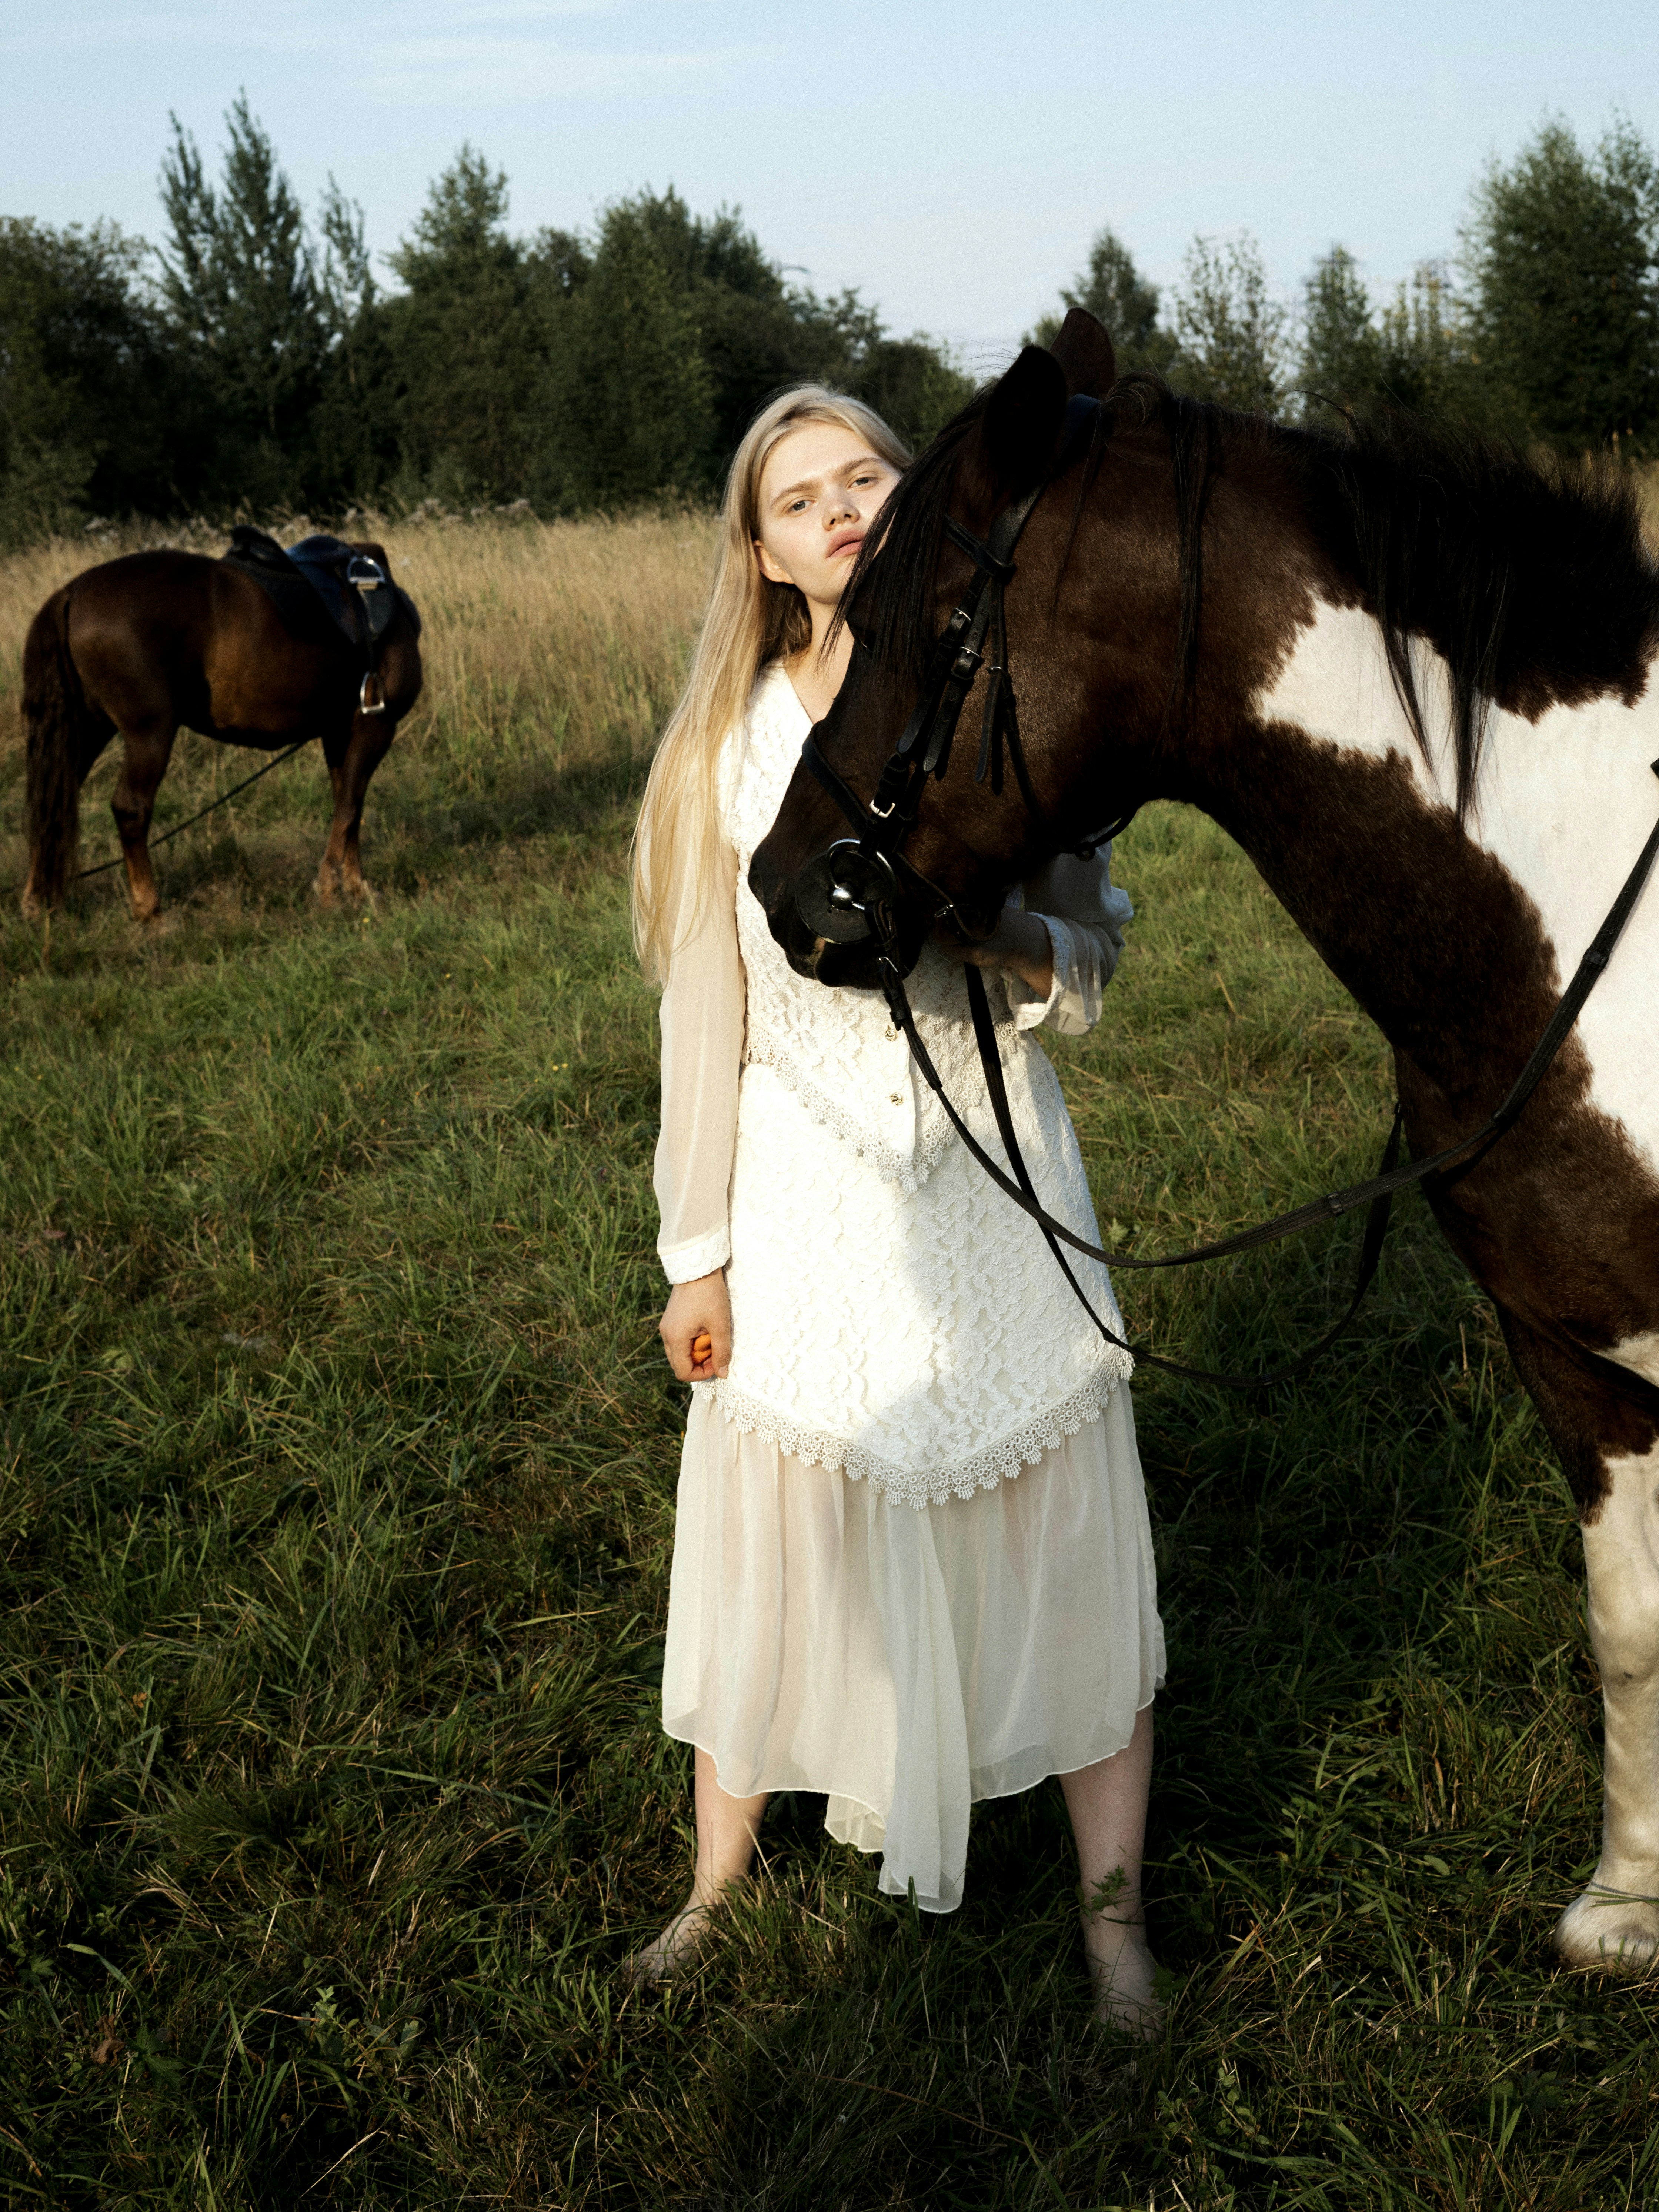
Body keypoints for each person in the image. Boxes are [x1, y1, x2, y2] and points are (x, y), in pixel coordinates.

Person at [628, 384, 1165, 2032]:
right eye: (799, 498)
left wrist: (987, 934)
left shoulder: (1002, 696)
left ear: (913, 490)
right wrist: (695, 1251)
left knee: (1061, 1541)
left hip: (998, 1191)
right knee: (776, 1539)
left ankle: (1113, 1929)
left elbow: (1094, 960)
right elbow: (702, 1007)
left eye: (865, 472)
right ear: (765, 553)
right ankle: (717, 1886)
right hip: (807, 1198)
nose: (840, 506)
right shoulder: (733, 746)